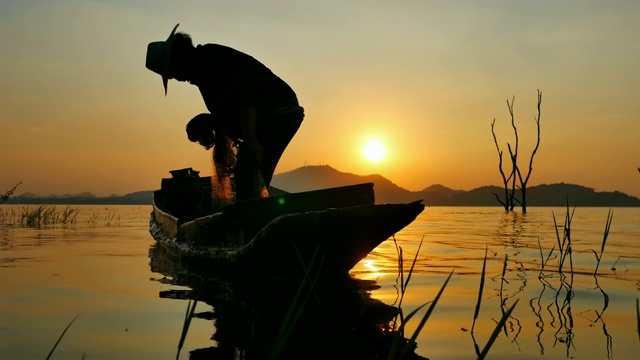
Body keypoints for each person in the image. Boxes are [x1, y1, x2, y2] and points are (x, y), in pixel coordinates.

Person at [146, 24, 304, 200]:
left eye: (171, 72)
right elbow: (229, 109)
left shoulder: (210, 59)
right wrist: (211, 124)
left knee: (248, 171)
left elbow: (246, 96)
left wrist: (251, 140)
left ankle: (252, 214)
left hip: (280, 111)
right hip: (265, 116)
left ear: (179, 57)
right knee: (247, 173)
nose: (174, 78)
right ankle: (253, 207)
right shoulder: (202, 72)